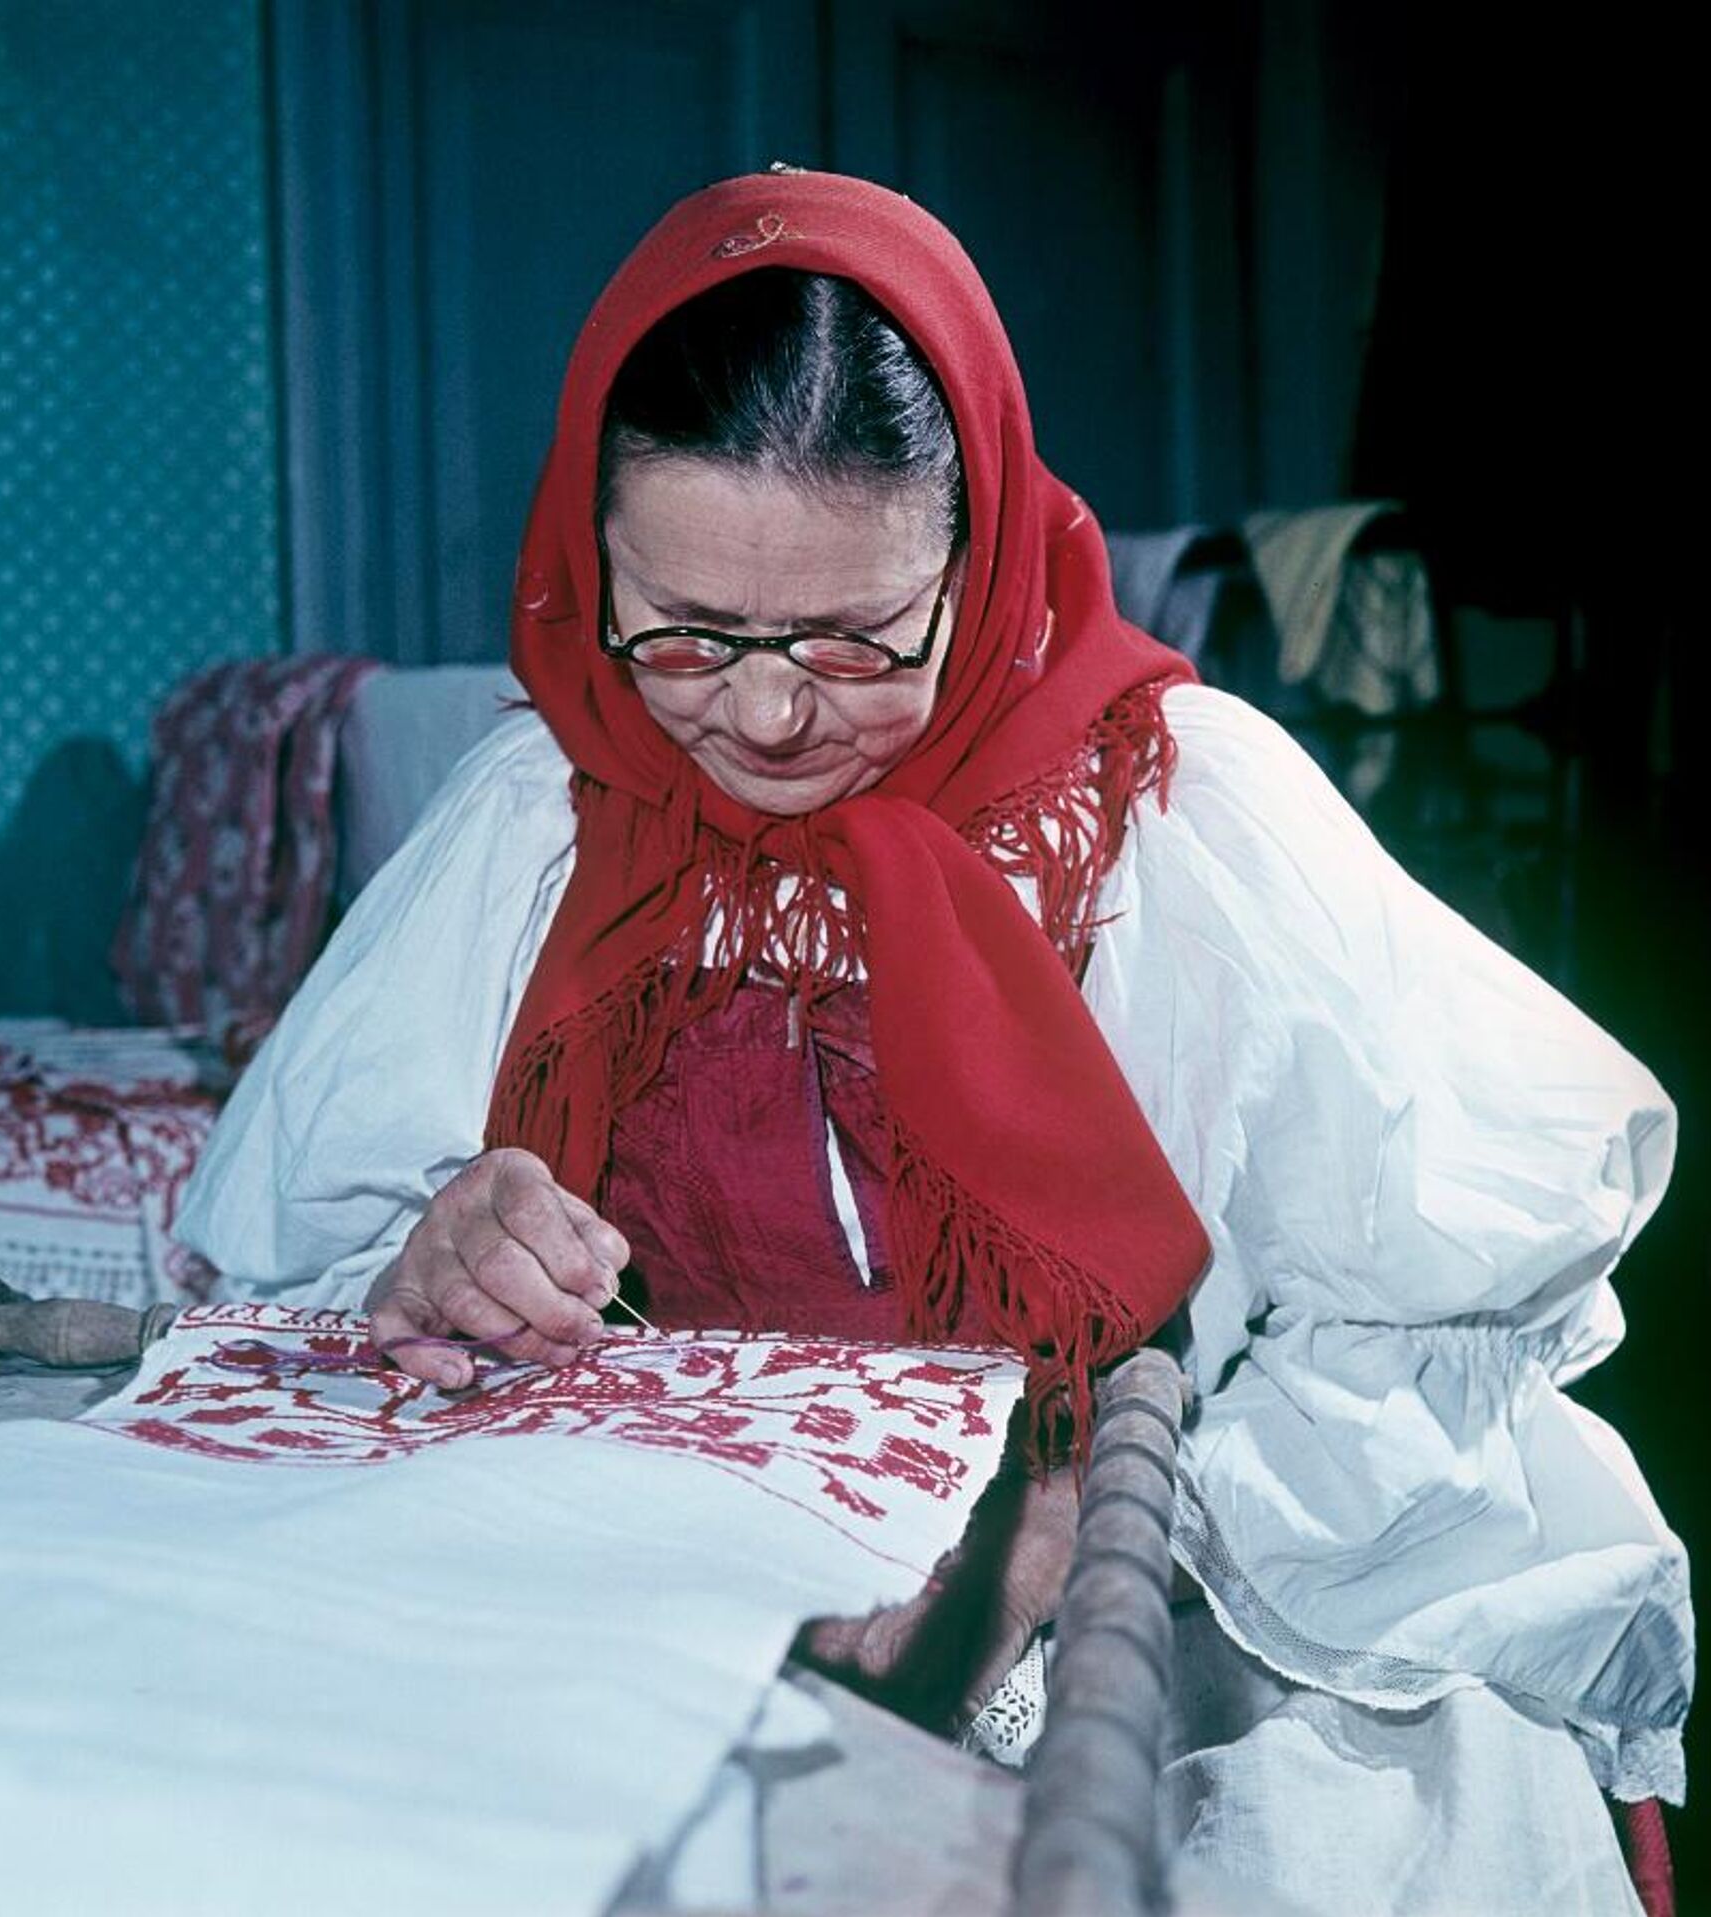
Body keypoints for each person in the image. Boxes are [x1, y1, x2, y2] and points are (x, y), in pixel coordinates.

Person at [176, 171, 1688, 1914]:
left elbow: (1439, 1302)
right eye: (682, 631)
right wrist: (442, 1243)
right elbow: (307, 1243)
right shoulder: (537, 813)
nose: (763, 713)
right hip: (649, 1584)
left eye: (854, 640)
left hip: (1153, 1600)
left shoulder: (1174, 817)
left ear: (976, 558)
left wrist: (1107, 1515)